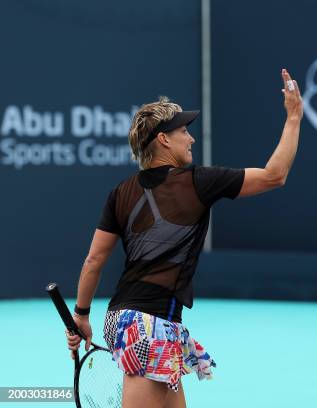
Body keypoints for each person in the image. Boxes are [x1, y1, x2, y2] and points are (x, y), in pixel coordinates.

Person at [65, 69, 303, 408]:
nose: (190, 139)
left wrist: (82, 315)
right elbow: (274, 176)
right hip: (147, 323)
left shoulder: (120, 192)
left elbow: (94, 261)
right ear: (163, 139)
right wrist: (293, 117)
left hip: (139, 317)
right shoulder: (198, 182)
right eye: (183, 131)